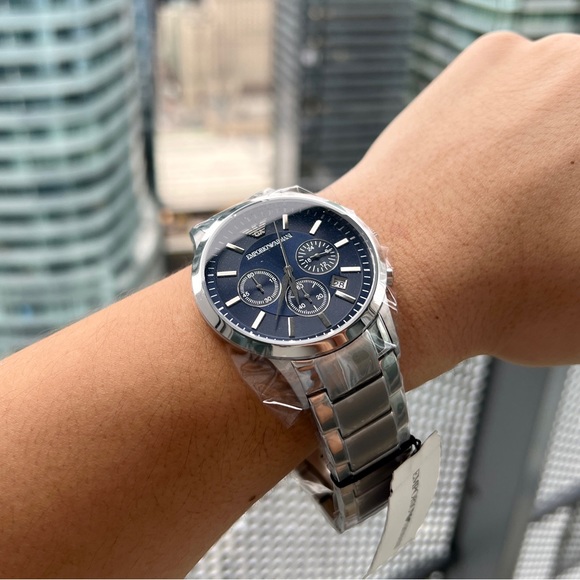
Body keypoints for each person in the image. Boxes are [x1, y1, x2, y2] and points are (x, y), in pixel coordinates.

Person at [1, 31, 579, 578]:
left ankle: (351, 470)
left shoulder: (351, 264)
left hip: (349, 332)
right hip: (311, 356)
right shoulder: (233, 312)